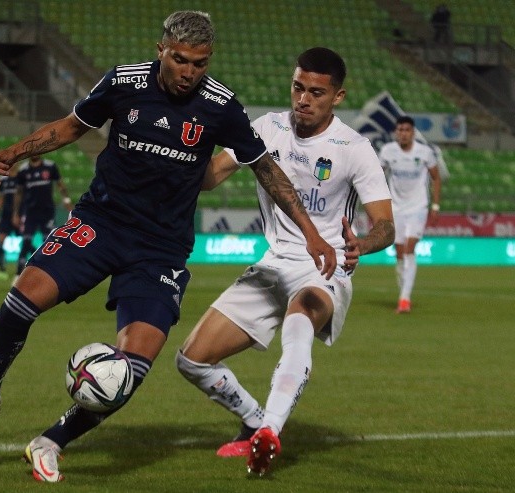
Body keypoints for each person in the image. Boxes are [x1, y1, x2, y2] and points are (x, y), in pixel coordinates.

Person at [0, 11, 337, 483]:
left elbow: (266, 169)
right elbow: (71, 127)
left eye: (200, 63)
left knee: (133, 366)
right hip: (101, 222)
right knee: (24, 297)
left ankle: (51, 442)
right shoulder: (124, 81)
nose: (189, 72)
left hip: (161, 249)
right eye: (180, 60)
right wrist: (14, 153)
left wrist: (311, 232)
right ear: (161, 50)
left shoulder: (221, 105)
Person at [176, 47, 394, 476]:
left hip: (324, 267)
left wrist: (362, 245)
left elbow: (386, 225)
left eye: (316, 92)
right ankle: (254, 420)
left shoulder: (355, 148)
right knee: (192, 359)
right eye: (298, 88)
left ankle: (269, 432)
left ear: (338, 96)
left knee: (299, 327)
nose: (303, 99)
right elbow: (209, 178)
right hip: (273, 264)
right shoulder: (266, 129)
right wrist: (189, 140)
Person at [378, 116, 441, 314]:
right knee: (399, 253)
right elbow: (377, 175)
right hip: (396, 208)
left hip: (418, 207)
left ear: (413, 133)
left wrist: (435, 205)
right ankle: (403, 292)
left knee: (409, 249)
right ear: (395, 132)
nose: (403, 133)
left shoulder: (424, 152)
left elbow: (436, 177)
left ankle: (404, 299)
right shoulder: (388, 151)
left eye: (406, 130)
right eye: (400, 130)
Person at [12, 155, 74, 282]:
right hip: (30, 213)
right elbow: (19, 192)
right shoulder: (23, 170)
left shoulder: (50, 166)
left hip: (47, 212)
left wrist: (66, 200)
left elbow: (60, 184)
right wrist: (16, 213)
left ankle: (52, 273)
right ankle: (18, 275)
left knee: (50, 243)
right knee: (26, 242)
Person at [0, 171, 18, 280]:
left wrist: (18, 213)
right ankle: (2, 270)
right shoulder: (3, 181)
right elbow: (0, 199)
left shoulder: (21, 177)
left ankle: (34, 265)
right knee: (0, 242)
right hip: (6, 216)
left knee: (27, 241)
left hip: (19, 215)